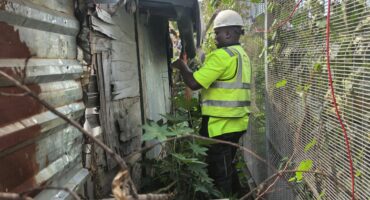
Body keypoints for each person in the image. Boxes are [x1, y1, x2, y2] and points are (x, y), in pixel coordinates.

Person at [171, 10, 251, 197]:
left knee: (219, 173)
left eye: (217, 33)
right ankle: (238, 194)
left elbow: (193, 83)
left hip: (220, 125)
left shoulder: (222, 56)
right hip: (237, 123)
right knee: (228, 166)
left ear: (229, 33)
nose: (215, 37)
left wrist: (181, 66)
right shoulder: (242, 55)